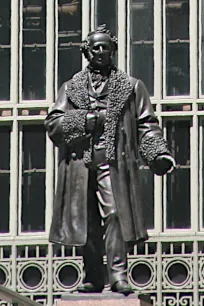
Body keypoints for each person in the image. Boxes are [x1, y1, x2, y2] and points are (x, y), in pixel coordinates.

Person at [45, 24, 175, 295]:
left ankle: (118, 275)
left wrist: (158, 154)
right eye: (96, 47)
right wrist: (87, 120)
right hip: (79, 165)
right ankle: (93, 275)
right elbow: (54, 124)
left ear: (113, 50)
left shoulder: (131, 87)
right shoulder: (70, 88)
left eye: (107, 47)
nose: (102, 52)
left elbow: (146, 124)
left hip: (112, 163)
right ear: (87, 52)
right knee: (86, 221)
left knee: (114, 214)